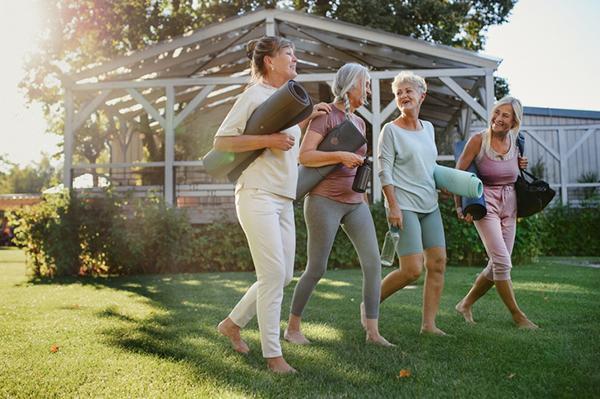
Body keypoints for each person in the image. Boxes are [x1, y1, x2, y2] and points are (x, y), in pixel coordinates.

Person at [215, 36, 330, 374]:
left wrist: (308, 119)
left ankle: (233, 324)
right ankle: (273, 355)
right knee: (272, 275)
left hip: (282, 196)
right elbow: (222, 142)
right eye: (289, 55)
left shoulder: (285, 101)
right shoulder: (252, 95)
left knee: (282, 276)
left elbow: (286, 145)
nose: (296, 60)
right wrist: (269, 140)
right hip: (256, 194)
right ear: (269, 61)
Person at [284, 63, 393, 347]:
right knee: (316, 268)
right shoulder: (326, 116)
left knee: (373, 265)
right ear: (349, 85)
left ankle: (373, 332)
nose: (368, 90)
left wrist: (364, 195)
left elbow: (356, 165)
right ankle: (292, 328)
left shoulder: (360, 123)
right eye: (365, 84)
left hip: (355, 202)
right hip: (324, 201)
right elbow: (305, 157)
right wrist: (341, 155)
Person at [454, 96, 538, 329]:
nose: (499, 119)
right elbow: (458, 175)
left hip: (510, 205)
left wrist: (520, 165)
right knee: (502, 262)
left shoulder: (516, 141)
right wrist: (459, 206)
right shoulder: (478, 141)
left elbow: (514, 173)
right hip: (486, 204)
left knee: (498, 263)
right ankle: (518, 316)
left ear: (514, 122)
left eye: (506, 115)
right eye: (497, 112)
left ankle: (465, 304)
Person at [377, 71, 448, 336]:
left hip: (430, 204)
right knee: (411, 270)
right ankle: (369, 305)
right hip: (403, 204)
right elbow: (385, 171)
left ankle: (428, 325)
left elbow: (429, 165)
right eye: (399, 93)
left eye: (408, 91)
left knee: (438, 262)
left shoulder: (428, 128)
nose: (404, 96)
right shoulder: (390, 131)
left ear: (422, 95)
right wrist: (392, 206)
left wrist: (445, 183)